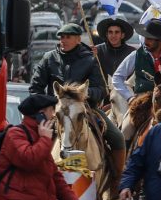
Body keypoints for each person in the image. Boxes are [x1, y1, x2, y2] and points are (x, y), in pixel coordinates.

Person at [29, 23, 125, 158]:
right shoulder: (48, 58)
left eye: (68, 37)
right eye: (61, 37)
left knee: (118, 138)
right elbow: (35, 88)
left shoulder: (90, 59)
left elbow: (101, 89)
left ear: (78, 39)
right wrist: (45, 109)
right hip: (55, 111)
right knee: (29, 137)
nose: (63, 40)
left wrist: (85, 93)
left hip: (85, 109)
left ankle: (115, 178)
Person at [111, 20, 161, 103]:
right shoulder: (137, 55)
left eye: (149, 39)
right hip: (142, 103)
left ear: (159, 40)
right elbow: (117, 77)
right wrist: (129, 97)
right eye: (145, 37)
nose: (145, 42)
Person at [95, 17, 135, 89]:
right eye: (110, 32)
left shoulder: (132, 52)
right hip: (103, 93)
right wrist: (91, 56)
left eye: (117, 32)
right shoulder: (98, 50)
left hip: (124, 94)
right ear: (107, 35)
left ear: (122, 35)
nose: (113, 35)